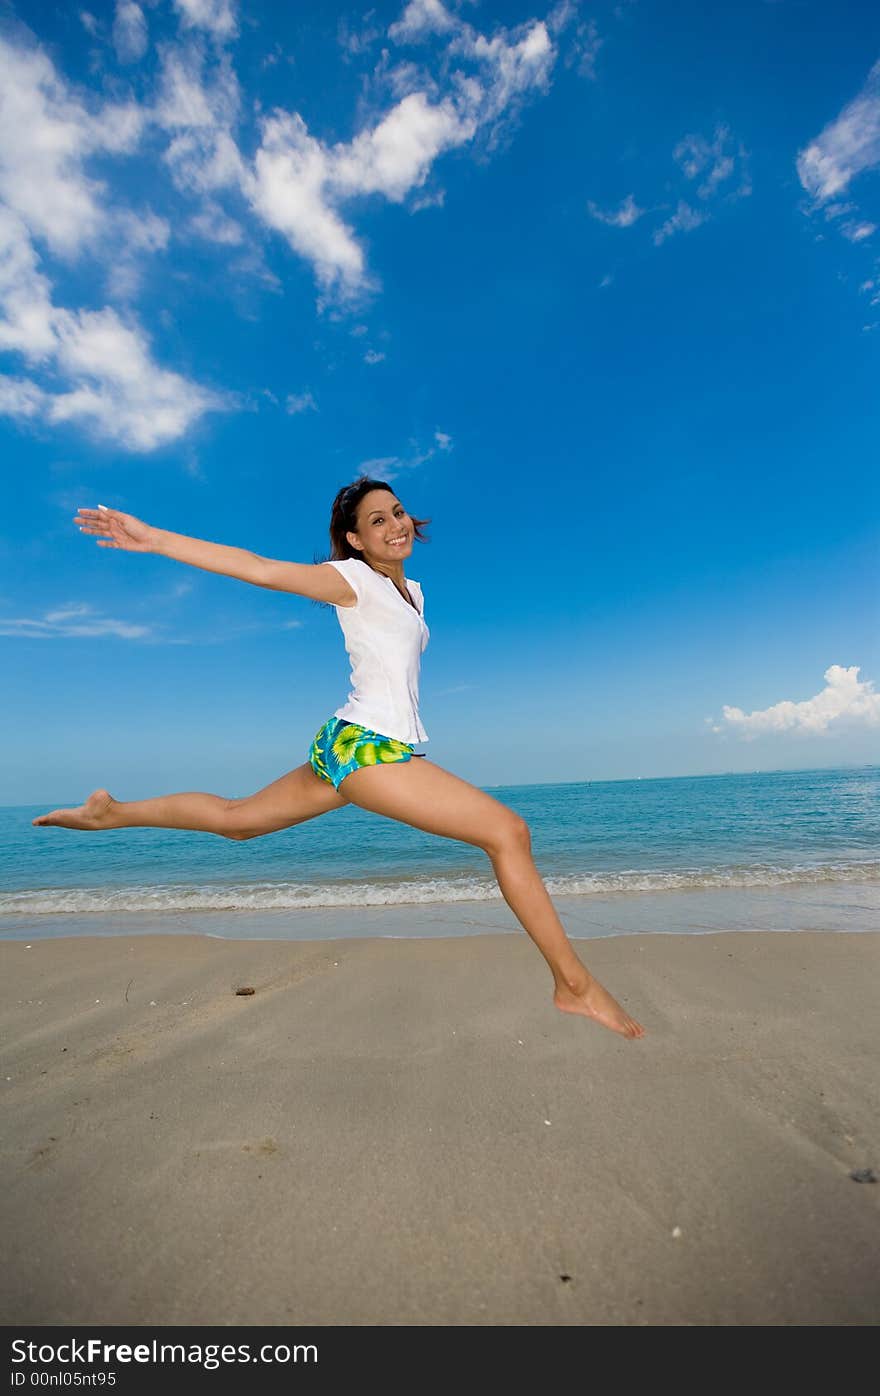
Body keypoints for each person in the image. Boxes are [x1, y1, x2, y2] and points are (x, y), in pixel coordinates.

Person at [33, 476, 645, 1040]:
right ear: (355, 539)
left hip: (351, 741)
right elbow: (263, 570)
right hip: (365, 749)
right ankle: (574, 985)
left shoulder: (414, 591)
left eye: (398, 512)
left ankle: (111, 814)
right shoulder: (353, 580)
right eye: (377, 521)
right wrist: (157, 539)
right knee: (508, 833)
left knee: (237, 820)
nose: (395, 524)